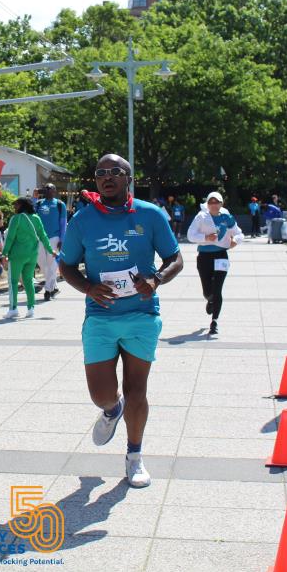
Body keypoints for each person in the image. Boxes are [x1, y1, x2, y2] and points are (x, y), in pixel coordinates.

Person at [58, 154, 183, 488]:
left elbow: (175, 258)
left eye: (115, 172)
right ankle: (112, 410)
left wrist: (156, 279)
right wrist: (88, 287)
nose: (107, 177)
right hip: (101, 316)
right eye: (100, 173)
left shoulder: (150, 214)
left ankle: (134, 456)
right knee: (102, 394)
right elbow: (66, 265)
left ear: (129, 177)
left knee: (137, 390)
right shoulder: (83, 220)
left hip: (142, 314)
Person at [188, 191, 244, 335]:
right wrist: (206, 237)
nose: (214, 205)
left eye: (217, 202)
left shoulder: (226, 216)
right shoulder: (201, 217)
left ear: (221, 203)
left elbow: (239, 233)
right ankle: (210, 300)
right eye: (211, 202)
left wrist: (235, 241)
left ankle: (214, 321)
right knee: (208, 292)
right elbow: (190, 235)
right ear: (207, 204)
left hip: (221, 256)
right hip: (204, 256)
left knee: (217, 289)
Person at [2, 197, 55, 319]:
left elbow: (10, 238)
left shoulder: (16, 218)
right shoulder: (36, 218)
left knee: (13, 281)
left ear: (22, 205)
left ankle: (13, 309)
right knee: (28, 280)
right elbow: (43, 236)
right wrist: (50, 250)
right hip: (32, 255)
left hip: (17, 255)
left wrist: (4, 254)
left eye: (16, 205)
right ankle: (31, 309)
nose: (14, 207)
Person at [34, 183, 67, 301]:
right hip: (40, 238)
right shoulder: (38, 203)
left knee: (52, 264)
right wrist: (34, 198)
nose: (47, 190)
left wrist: (62, 239)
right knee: (41, 262)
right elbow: (30, 215)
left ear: (54, 191)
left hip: (54, 238)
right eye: (46, 188)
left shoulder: (60, 204)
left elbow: (63, 223)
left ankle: (48, 290)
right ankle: (53, 286)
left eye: (50, 188)